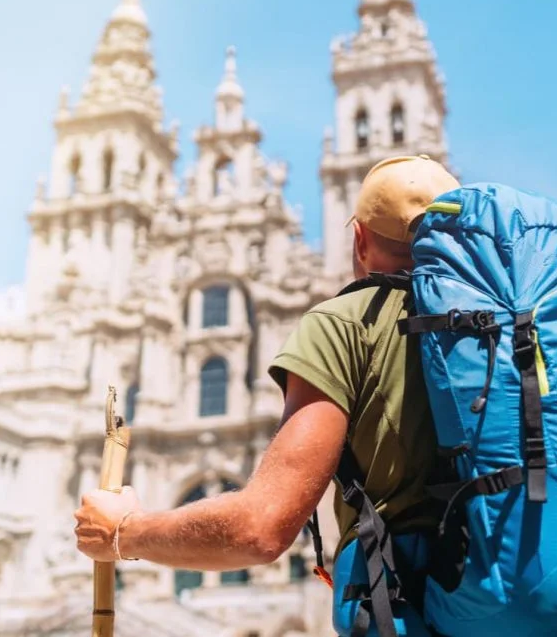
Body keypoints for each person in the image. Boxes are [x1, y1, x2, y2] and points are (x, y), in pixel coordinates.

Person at [74, 155, 459, 598]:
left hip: (417, 605)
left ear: (358, 239)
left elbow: (261, 528)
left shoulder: (347, 323)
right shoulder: (511, 328)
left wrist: (124, 532)